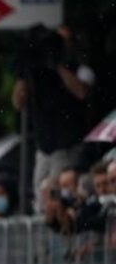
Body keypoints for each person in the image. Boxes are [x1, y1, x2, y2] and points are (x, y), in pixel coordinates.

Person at [12, 25, 94, 196]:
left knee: (57, 192)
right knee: (41, 195)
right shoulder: (38, 72)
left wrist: (57, 65)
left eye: (64, 41)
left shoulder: (80, 69)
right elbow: (18, 102)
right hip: (44, 146)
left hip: (68, 145)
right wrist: (22, 73)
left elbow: (81, 92)